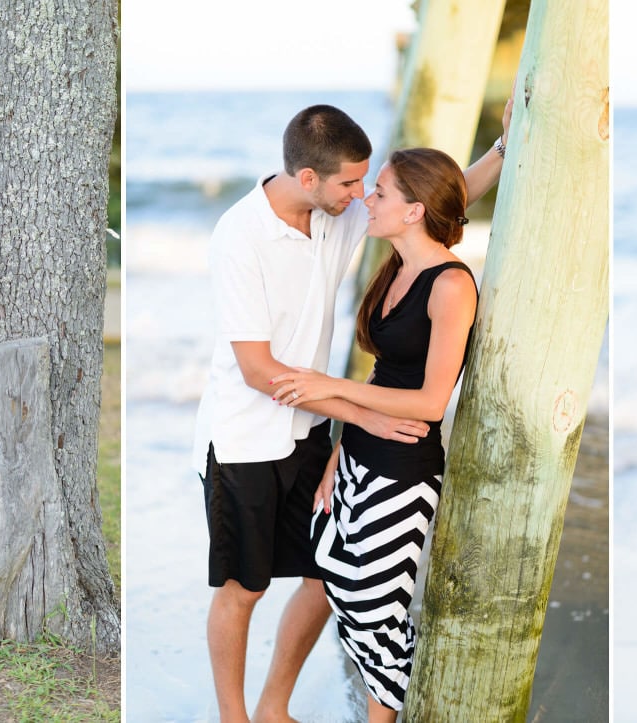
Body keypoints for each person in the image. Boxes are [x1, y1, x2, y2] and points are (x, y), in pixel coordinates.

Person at [194, 104, 505, 722]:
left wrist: (504, 148)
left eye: (369, 185)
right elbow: (261, 373)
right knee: (244, 587)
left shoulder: (337, 215)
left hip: (311, 431)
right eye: (349, 184)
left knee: (322, 576)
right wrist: (360, 419)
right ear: (308, 179)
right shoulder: (240, 236)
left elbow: (434, 200)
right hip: (245, 439)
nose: (361, 196)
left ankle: (275, 706)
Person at [270, 148, 478, 719]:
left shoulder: (451, 286)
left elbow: (433, 402)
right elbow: (384, 372)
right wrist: (339, 447)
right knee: (337, 585)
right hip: (359, 457)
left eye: (381, 192)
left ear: (415, 211)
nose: (368, 199)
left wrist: (328, 387)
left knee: (379, 616)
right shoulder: (396, 267)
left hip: (403, 471)